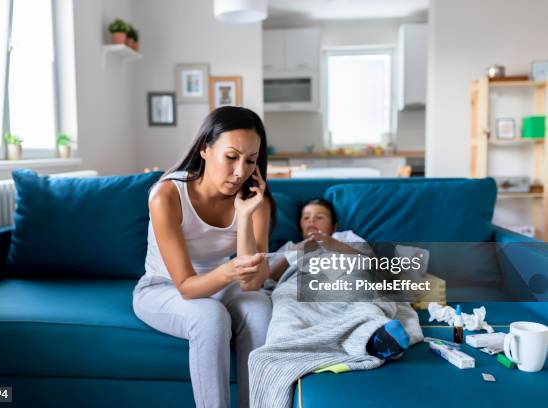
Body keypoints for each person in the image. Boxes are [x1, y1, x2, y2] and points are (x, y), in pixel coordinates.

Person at [132, 106, 275, 408]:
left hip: (224, 283)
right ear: (205, 149)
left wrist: (245, 216)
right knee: (210, 316)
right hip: (163, 288)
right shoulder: (167, 195)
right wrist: (230, 271)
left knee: (260, 308)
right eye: (232, 157)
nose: (241, 172)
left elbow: (251, 284)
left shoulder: (256, 202)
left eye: (251, 160)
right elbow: (186, 286)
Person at [268, 198, 411, 359]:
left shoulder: (345, 237)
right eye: (306, 217)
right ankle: (286, 350)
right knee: (286, 309)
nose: (312, 221)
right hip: (300, 284)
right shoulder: (290, 247)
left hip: (345, 278)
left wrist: (333, 244)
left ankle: (376, 337)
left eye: (319, 217)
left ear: (333, 225)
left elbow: (374, 264)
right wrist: (294, 253)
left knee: (363, 300)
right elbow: (267, 277)